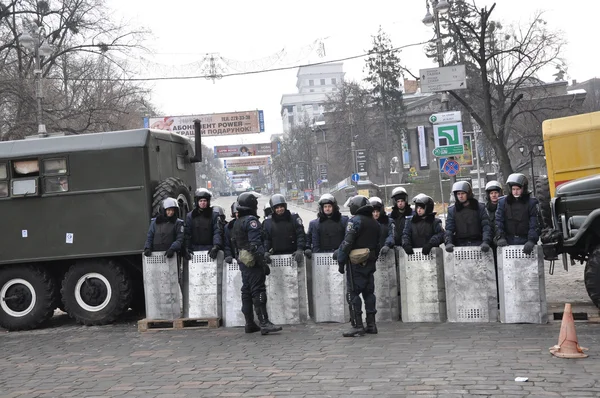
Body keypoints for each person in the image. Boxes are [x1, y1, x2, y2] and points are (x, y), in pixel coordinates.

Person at [231, 192, 282, 335]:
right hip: (253, 262)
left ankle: (249, 323)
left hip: (243, 261)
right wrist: (263, 262)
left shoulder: (237, 222)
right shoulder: (251, 221)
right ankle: (264, 322)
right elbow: (255, 245)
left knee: (246, 291)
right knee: (258, 290)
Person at [334, 195, 381, 337]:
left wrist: (341, 260)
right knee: (369, 294)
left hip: (355, 264)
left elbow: (347, 243)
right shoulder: (375, 223)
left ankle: (357, 325)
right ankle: (371, 324)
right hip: (370, 262)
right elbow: (378, 244)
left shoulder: (354, 221)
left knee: (352, 294)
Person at [495, 173, 540, 255]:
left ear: (523, 188)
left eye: (518, 189)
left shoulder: (531, 203)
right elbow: (499, 221)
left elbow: (534, 223)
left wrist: (531, 240)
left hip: (525, 240)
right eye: (513, 189)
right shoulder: (503, 202)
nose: (515, 192)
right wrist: (500, 237)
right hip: (508, 240)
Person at [444, 181, 492, 252]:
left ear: (468, 194)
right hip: (459, 245)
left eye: (463, 193)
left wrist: (486, 241)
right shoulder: (452, 210)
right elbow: (449, 229)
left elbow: (486, 226)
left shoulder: (479, 208)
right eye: (458, 194)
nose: (460, 196)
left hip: (478, 244)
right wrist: (448, 242)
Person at [262, 194, 306, 265]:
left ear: (285, 206)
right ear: (273, 209)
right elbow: (267, 239)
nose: (279, 209)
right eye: (277, 208)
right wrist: (266, 251)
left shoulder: (294, 218)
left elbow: (300, 235)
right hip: (276, 256)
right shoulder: (268, 222)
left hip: (294, 254)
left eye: (281, 207)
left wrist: (300, 249)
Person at [184, 188, 223, 260]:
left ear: (208, 202)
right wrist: (186, 247)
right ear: (197, 202)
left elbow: (217, 232)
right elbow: (187, 233)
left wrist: (216, 246)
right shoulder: (190, 215)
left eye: (205, 201)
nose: (203, 203)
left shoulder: (214, 215)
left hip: (210, 249)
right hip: (194, 249)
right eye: (200, 201)